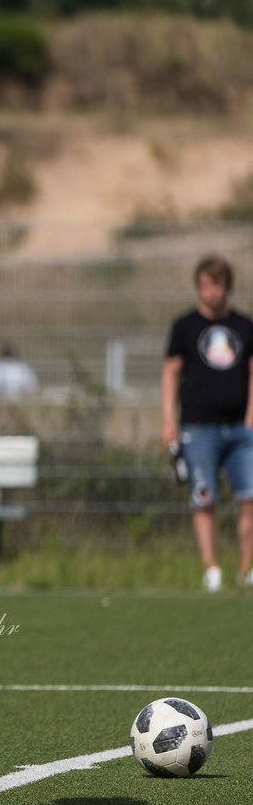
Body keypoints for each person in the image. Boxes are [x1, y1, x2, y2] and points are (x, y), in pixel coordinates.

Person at [161, 254, 253, 592]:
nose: (212, 292)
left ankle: (247, 569)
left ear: (227, 287)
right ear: (199, 287)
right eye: (205, 285)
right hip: (198, 428)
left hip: (243, 429)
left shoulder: (245, 326)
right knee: (205, 498)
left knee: (250, 497)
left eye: (218, 284)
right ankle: (211, 568)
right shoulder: (185, 326)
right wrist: (168, 421)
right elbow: (170, 373)